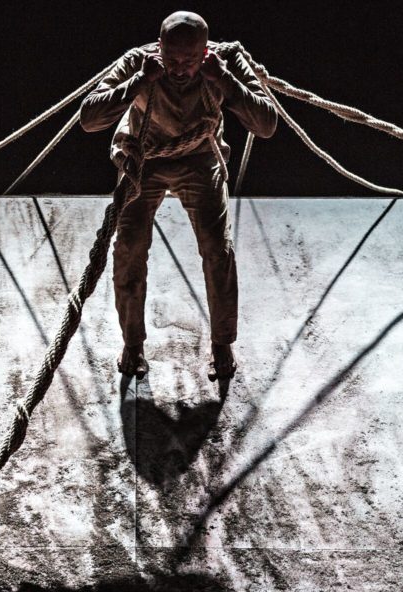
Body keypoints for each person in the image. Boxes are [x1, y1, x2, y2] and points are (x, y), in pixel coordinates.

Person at [79, 11, 277, 381]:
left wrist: (225, 80)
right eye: (171, 59)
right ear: (160, 48)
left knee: (218, 249)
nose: (179, 69)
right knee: (130, 247)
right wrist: (139, 82)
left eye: (189, 61)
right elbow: (89, 119)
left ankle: (222, 342)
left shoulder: (224, 61)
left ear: (205, 52)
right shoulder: (140, 61)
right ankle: (133, 343)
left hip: (200, 159)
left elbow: (266, 125)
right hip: (145, 158)